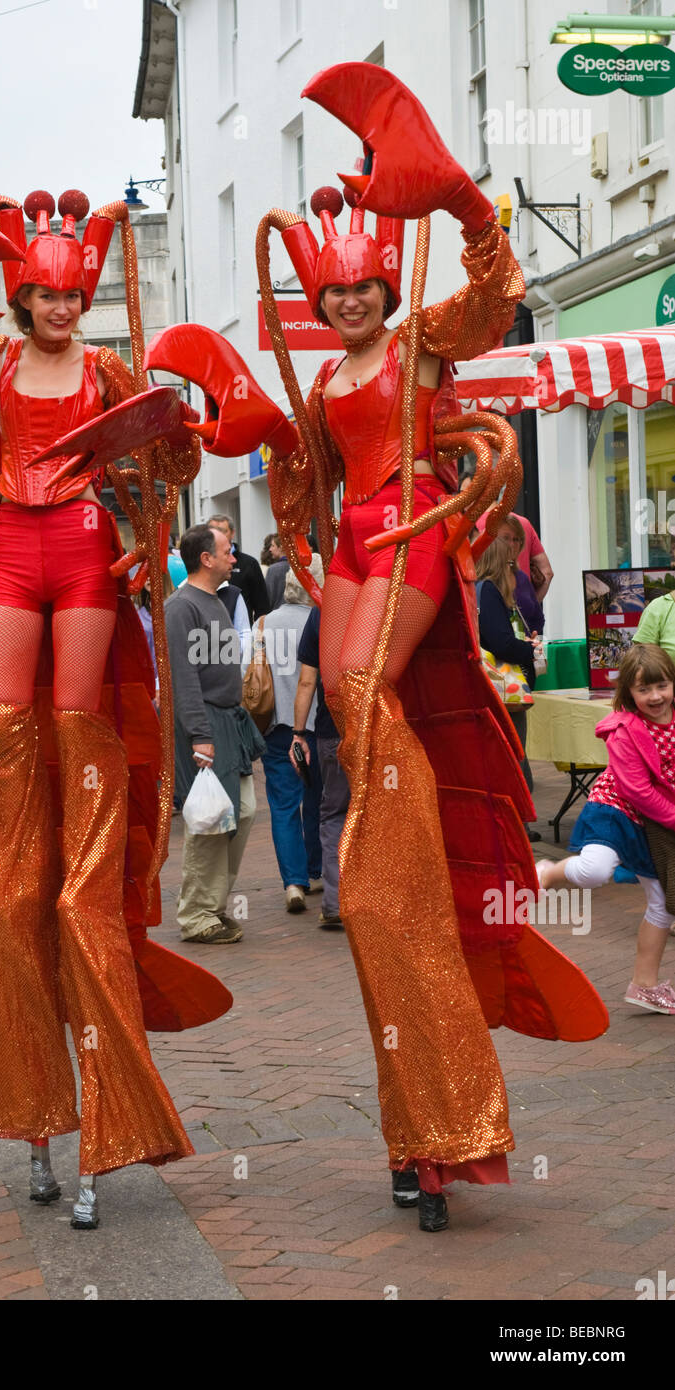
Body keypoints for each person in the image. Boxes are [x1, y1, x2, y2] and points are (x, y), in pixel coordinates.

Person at [146, 61, 608, 1231]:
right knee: (345, 704)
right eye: (335, 293)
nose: (351, 304)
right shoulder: (328, 375)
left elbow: (491, 295)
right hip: (348, 543)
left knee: (364, 688)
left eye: (362, 288)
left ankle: (392, 843)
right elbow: (286, 457)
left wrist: (458, 205)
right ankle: (385, 860)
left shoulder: (422, 347)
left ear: (379, 288)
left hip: (408, 529)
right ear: (318, 297)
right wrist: (218, 415)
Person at [0, 186, 221, 1229]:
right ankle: (36, 1117)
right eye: (47, 294)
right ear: (20, 292)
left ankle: (107, 1102)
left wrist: (173, 429)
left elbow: (173, 465)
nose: (63, 307)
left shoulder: (107, 366)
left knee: (79, 771)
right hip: (11, 549)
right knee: (14, 825)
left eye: (76, 294)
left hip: (82, 553)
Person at [537, 644, 675, 1015]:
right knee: (595, 870)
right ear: (628, 693)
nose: (655, 696)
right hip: (616, 811)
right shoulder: (624, 730)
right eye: (643, 689)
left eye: (661, 685)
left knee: (663, 904)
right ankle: (548, 872)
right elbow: (638, 791)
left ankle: (643, 986)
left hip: (657, 821)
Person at [165, 524, 265, 944]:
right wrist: (199, 735)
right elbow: (183, 678)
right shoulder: (181, 607)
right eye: (227, 551)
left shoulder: (219, 601)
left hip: (230, 720)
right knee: (209, 821)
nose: (234, 558)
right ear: (206, 558)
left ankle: (213, 905)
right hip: (205, 725)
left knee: (240, 813)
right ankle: (197, 915)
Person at [260, 555, 324, 912]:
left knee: (284, 805)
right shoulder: (323, 621)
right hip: (317, 727)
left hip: (276, 727)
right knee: (318, 800)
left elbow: (246, 674)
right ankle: (315, 870)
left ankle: (294, 882)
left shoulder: (263, 625)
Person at [476, 538, 540, 839]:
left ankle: (518, 827)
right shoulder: (488, 591)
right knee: (514, 757)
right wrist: (529, 650)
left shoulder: (477, 589)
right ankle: (518, 830)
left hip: (489, 692)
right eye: (511, 563)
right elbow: (501, 643)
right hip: (503, 693)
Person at [292, 601, 349, 930]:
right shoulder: (383, 595)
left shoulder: (323, 608)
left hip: (331, 732)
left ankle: (334, 901)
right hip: (374, 729)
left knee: (334, 815)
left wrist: (299, 734)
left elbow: (307, 681)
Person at [208, 514, 269, 622]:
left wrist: (258, 633)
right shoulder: (202, 562)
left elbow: (262, 606)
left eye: (222, 531)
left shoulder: (249, 563)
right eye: (212, 531)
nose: (217, 535)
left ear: (232, 533)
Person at [495, 514, 544, 636]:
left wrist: (531, 636)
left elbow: (538, 617)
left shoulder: (521, 577)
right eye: (506, 538)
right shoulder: (487, 579)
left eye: (516, 539)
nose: (512, 544)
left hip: (526, 649)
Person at [264, 535, 291, 613]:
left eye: (273, 546)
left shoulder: (273, 570)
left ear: (281, 547)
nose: (270, 549)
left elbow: (268, 598)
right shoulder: (298, 568)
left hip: (276, 615)